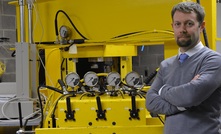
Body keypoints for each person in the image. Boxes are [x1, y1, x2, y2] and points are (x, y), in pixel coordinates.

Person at [146, 1, 221, 134]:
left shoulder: (212, 60)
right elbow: (150, 102)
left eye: (189, 23)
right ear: (172, 26)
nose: (182, 29)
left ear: (201, 26)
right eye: (178, 24)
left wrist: (163, 91)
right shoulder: (166, 65)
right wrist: (181, 105)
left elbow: (190, 95)